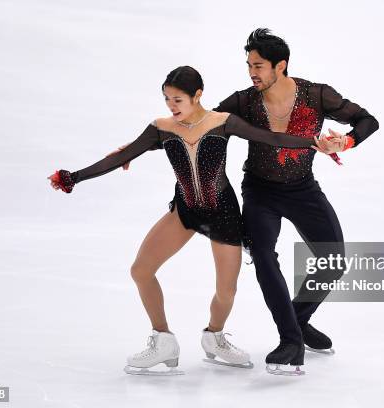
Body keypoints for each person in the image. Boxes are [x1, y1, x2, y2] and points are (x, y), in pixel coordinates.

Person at [47, 66, 344, 375]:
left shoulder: (221, 123)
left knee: (226, 291)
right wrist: (73, 178)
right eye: (166, 100)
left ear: (197, 95)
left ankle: (214, 337)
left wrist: (314, 143)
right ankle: (163, 341)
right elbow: (120, 157)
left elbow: (270, 137)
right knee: (141, 270)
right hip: (185, 211)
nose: (171, 107)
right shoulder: (161, 128)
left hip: (223, 215)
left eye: (177, 100)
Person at [211, 28, 380, 375]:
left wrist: (345, 143)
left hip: (303, 189)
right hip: (260, 191)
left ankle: (298, 322)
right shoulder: (244, 101)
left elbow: (368, 120)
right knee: (262, 255)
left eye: (258, 66)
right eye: (249, 65)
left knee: (333, 259)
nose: (252, 72)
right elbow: (204, 125)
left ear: (280, 65)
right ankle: (290, 339)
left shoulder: (317, 95)